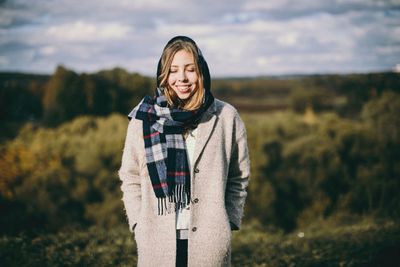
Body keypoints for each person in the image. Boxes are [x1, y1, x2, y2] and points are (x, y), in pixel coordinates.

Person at [118, 36, 250, 267]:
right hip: (155, 243)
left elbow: (238, 176)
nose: (182, 78)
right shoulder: (144, 118)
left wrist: (228, 220)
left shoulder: (226, 117)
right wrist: (139, 223)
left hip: (210, 244)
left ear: (202, 73)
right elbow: (130, 177)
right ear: (163, 76)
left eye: (190, 69)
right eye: (173, 70)